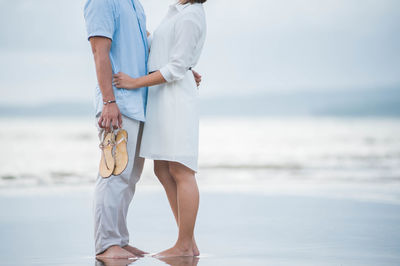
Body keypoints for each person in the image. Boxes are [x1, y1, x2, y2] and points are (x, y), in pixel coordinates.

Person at [112, 0, 207, 258]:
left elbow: (176, 67)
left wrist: (135, 82)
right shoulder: (175, 12)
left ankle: (185, 244)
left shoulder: (191, 15)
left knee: (180, 168)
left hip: (176, 97)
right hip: (162, 97)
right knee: (163, 169)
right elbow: (164, 50)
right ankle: (188, 243)